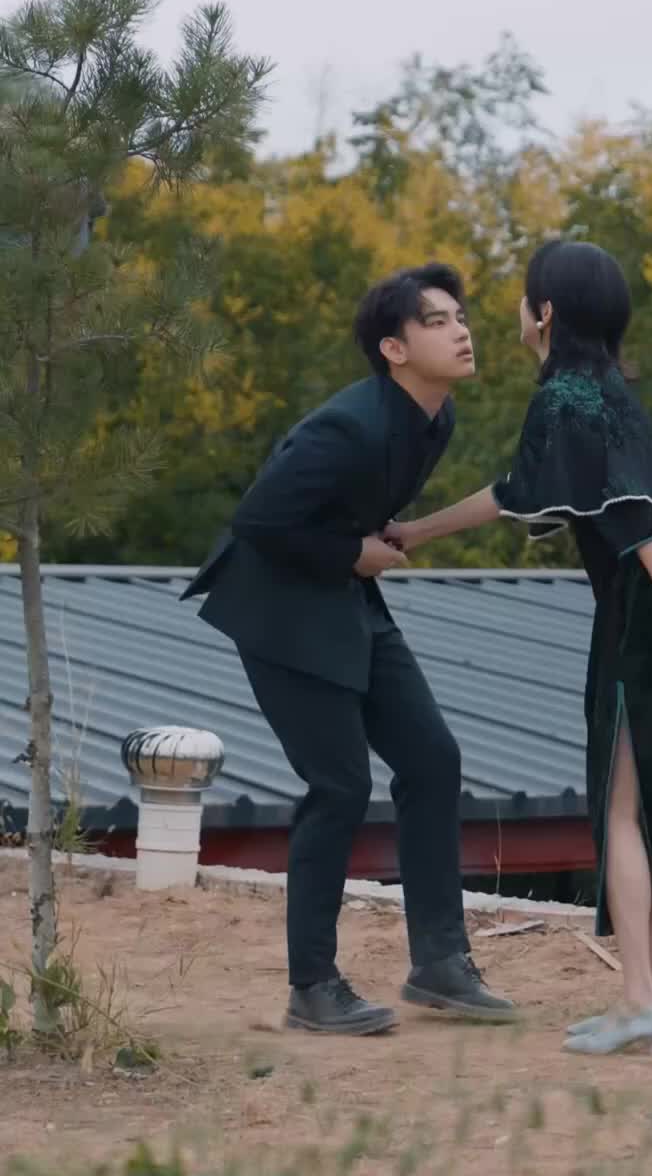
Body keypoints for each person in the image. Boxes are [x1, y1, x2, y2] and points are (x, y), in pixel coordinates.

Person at [387, 239, 652, 1055]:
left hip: (648, 603)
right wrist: (416, 531)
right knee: (638, 800)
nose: (514, 312)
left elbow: (630, 511)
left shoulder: (566, 397)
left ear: (545, 312)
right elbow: (516, 494)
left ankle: (638, 1001)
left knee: (618, 807)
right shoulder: (593, 389)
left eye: (523, 298)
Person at [181, 263, 514, 1035]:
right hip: (278, 608)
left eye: (461, 317)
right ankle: (313, 987)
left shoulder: (437, 417)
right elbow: (259, 520)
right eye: (437, 321)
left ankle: (439, 962)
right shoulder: (348, 427)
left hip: (343, 594)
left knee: (432, 758)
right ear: (394, 349)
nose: (461, 331)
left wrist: (366, 543)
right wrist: (350, 552)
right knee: (338, 784)